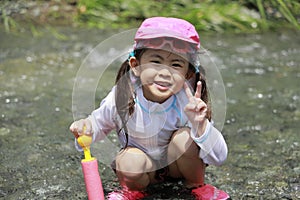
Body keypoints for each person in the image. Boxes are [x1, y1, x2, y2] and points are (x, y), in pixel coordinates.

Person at [70, 16, 229, 200]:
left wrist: (200, 125)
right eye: (155, 61)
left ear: (188, 73)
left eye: (176, 64)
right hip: (142, 171)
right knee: (128, 160)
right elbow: (97, 125)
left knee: (184, 138)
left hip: (178, 169)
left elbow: (219, 158)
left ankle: (196, 187)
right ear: (136, 66)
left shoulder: (188, 103)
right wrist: (86, 128)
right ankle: (133, 192)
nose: (164, 72)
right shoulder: (122, 96)